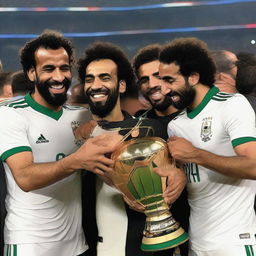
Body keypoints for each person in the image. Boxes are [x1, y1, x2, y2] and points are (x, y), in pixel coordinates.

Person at [0, 30, 122, 256]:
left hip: (77, 245)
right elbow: (25, 177)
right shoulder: (10, 115)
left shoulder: (81, 116)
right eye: (48, 69)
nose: (59, 77)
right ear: (31, 73)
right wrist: (76, 160)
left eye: (64, 68)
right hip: (30, 245)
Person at [77, 41, 187, 256]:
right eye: (89, 79)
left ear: (122, 86)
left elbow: (175, 169)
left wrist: (179, 174)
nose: (96, 84)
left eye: (105, 77)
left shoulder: (150, 128)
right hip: (88, 245)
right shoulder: (76, 131)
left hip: (145, 243)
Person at [159, 37, 256, 256]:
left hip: (234, 244)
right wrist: (176, 176)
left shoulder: (232, 105)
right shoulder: (176, 125)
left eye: (170, 80)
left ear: (193, 77)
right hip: (197, 244)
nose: (164, 90)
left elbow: (253, 166)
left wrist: (196, 155)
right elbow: (191, 177)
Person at [132, 43, 190, 256]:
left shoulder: (195, 116)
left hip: (201, 227)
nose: (152, 84)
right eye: (144, 80)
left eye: (158, 76)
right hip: (154, 234)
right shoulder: (138, 126)